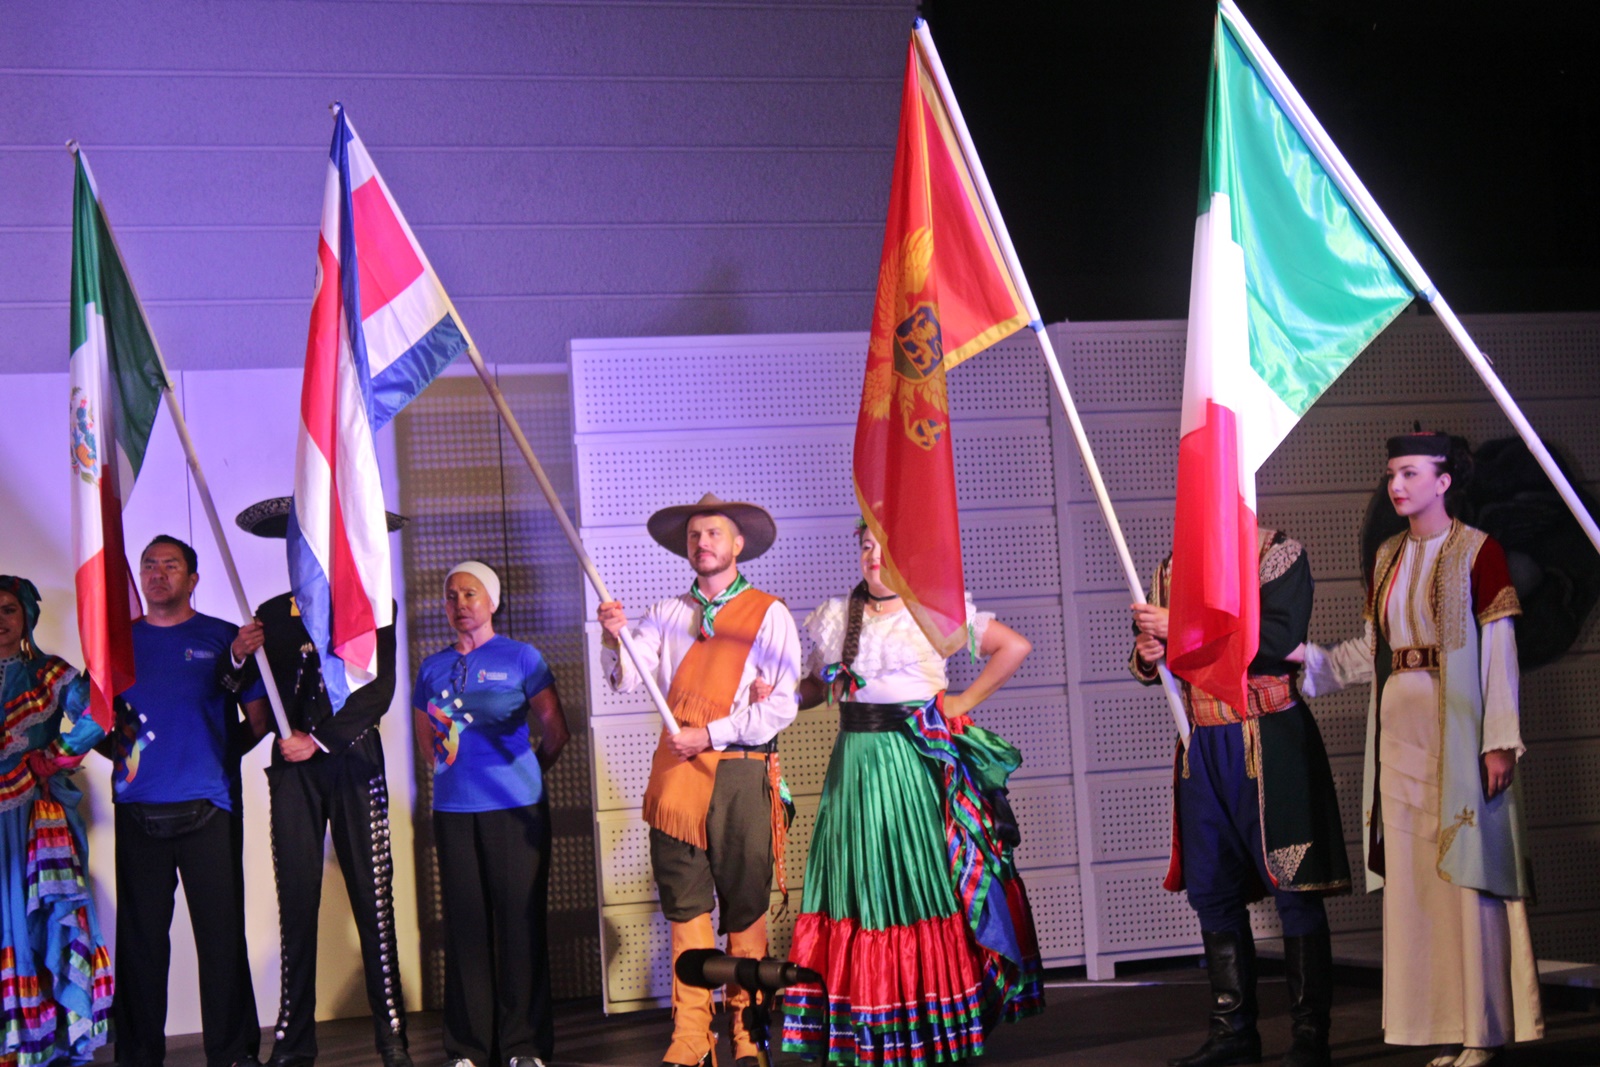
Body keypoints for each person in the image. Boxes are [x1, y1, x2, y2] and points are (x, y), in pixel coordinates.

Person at [1294, 432, 1542, 1067]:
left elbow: (1499, 651)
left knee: (1467, 877)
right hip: (1397, 737)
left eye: (1409, 473)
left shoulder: (1478, 551)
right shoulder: (1387, 557)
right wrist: (1313, 661)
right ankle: (1440, 1024)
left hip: (1456, 734)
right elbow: (1375, 648)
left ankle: (1483, 1030)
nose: (1397, 485)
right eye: (1392, 475)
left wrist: (1499, 740)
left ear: (1443, 481)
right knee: (1416, 883)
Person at [776, 523, 1044, 1065]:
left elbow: (1013, 646)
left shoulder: (933, 612)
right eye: (866, 546)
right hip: (854, 771)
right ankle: (872, 1025)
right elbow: (816, 689)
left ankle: (926, 1022)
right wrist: (779, 690)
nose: (873, 556)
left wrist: (959, 702)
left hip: (910, 766)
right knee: (858, 888)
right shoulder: (838, 616)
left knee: (917, 885)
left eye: (885, 546)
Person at [596, 493, 801, 1067]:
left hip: (739, 773)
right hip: (678, 779)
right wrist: (614, 636)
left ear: (737, 544)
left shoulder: (768, 613)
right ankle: (691, 1036)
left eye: (713, 533)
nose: (702, 542)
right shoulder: (665, 613)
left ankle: (747, 1031)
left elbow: (780, 705)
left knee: (745, 908)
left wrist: (708, 733)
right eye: (694, 535)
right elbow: (628, 679)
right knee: (685, 910)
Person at [1131, 528, 1350, 1067]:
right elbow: (1152, 659)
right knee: (1213, 890)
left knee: (1294, 886)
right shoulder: (1172, 567)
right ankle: (1233, 1032)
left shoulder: (1277, 555)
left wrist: (1180, 630)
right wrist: (1149, 651)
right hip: (1203, 743)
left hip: (1268, 737)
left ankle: (1309, 1037)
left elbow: (1275, 640)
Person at [230, 497, 413, 1067]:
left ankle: (392, 1039)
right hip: (293, 770)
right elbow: (245, 689)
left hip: (352, 761)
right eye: (299, 539)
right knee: (296, 900)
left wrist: (322, 740)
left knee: (373, 900)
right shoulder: (271, 612)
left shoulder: (372, 603)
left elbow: (378, 691)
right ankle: (293, 1042)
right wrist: (237, 655)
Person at [112, 535, 272, 1067]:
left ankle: (233, 1055)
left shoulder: (225, 639)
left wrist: (214, 756)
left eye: (171, 565)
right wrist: (126, 758)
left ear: (193, 578)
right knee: (140, 944)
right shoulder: (116, 642)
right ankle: (137, 1056)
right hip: (137, 810)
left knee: (221, 939)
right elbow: (95, 721)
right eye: (149, 565)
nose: (157, 574)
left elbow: (258, 721)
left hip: (209, 808)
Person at [413, 561, 570, 1067]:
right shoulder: (431, 668)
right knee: (466, 928)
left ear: (493, 602)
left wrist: (522, 775)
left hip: (516, 813)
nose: (460, 604)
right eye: (452, 596)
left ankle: (524, 1048)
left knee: (520, 927)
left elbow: (556, 731)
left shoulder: (522, 657)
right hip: (454, 812)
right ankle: (468, 1050)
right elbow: (428, 744)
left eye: (471, 594)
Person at [0, 575, 113, 1065]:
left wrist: (57, 754)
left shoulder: (49, 673)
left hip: (32, 816)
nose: (0, 620)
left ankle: (38, 1042)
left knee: (35, 921)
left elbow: (98, 715)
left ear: (27, 615)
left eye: (8, 609)